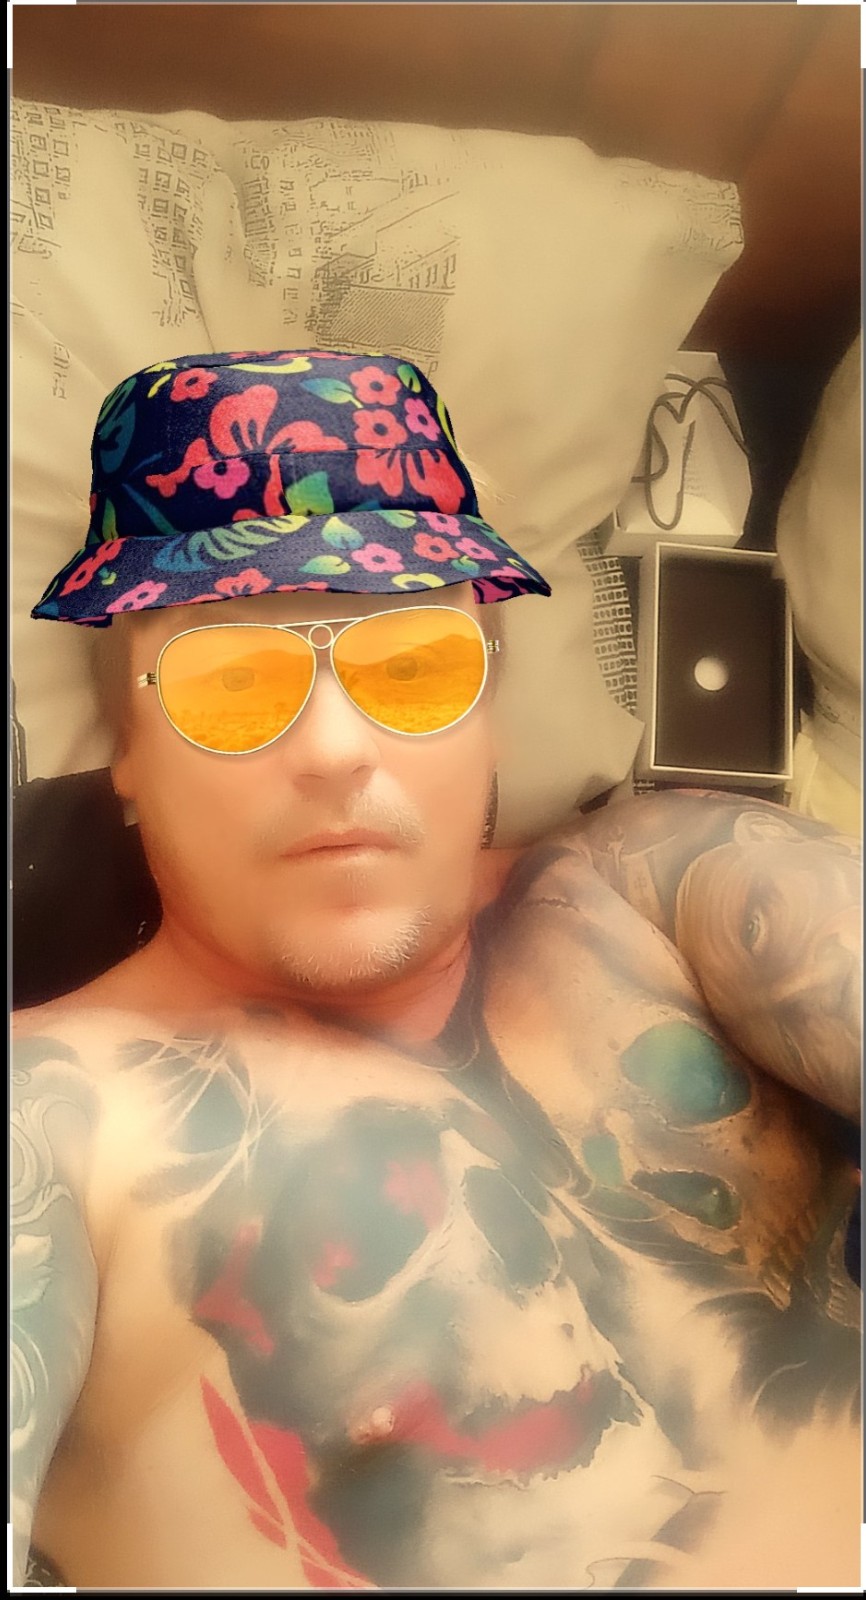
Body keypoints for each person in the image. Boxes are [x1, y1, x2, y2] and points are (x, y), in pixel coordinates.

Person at [12, 349, 861, 1592]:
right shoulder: (54, 1120)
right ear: (126, 754)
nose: (334, 748)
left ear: (488, 713)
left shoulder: (683, 885)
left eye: (412, 665)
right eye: (230, 683)